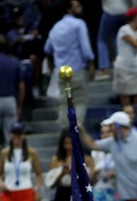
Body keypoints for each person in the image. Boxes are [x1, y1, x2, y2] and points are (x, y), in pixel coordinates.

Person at [44, 0, 95, 129]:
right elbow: (85, 48)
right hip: (76, 70)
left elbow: (47, 48)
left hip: (61, 72)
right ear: (69, 9)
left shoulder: (55, 27)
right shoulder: (78, 24)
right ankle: (75, 133)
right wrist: (91, 63)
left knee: (64, 102)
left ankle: (65, 134)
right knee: (80, 101)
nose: (80, 8)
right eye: (77, 6)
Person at [0, 122, 42, 201]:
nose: (17, 136)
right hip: (9, 194)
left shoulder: (32, 152)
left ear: (24, 135)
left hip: (26, 193)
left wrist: (37, 190)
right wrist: (1, 183)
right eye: (14, 133)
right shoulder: (4, 153)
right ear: (10, 135)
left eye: (19, 133)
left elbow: (39, 174)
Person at [47, 128, 95, 201]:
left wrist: (75, 174)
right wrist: (62, 173)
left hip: (80, 193)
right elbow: (51, 184)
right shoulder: (56, 160)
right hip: (62, 194)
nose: (69, 146)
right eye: (66, 143)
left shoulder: (87, 159)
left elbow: (91, 181)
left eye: (71, 143)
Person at [113, 7, 137, 106]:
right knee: (125, 97)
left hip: (136, 68)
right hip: (123, 68)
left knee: (136, 97)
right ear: (134, 17)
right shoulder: (124, 30)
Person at [0, 37, 24, 148]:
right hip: (10, 100)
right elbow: (22, 86)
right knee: (11, 137)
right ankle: (10, 164)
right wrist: (19, 106)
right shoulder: (14, 62)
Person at [91, 123, 118, 201]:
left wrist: (116, 175)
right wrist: (94, 173)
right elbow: (91, 181)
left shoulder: (120, 150)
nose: (105, 135)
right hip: (99, 192)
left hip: (116, 191)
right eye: (103, 133)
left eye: (109, 132)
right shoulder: (95, 152)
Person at [96, 0, 129, 78]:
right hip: (124, 11)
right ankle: (121, 67)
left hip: (110, 11)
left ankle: (105, 69)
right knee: (117, 39)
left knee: (102, 40)